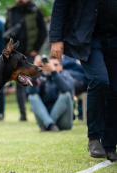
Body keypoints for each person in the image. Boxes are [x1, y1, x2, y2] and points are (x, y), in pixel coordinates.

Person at [50, 0, 117, 161]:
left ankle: (110, 144)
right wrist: (56, 38)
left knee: (114, 90)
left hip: (114, 38)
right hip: (88, 38)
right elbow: (60, 5)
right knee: (99, 80)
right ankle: (94, 138)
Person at [5, 0, 47, 121]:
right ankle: (23, 114)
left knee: (35, 81)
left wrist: (35, 49)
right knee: (19, 83)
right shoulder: (11, 12)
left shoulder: (36, 11)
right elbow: (7, 32)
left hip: (30, 53)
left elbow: (43, 32)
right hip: (16, 54)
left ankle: (38, 111)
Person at [28, 55, 74, 132]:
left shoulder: (66, 75)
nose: (53, 67)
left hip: (64, 122)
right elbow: (31, 91)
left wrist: (54, 72)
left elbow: (66, 89)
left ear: (61, 67)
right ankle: (50, 124)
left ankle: (49, 124)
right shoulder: (42, 77)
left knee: (66, 95)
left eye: (55, 65)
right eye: (50, 64)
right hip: (44, 120)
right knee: (32, 97)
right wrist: (35, 70)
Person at [61, 55, 88, 120]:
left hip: (80, 80)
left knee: (71, 84)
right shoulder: (67, 54)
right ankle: (68, 112)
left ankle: (70, 112)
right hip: (67, 78)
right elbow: (62, 64)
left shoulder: (84, 53)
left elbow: (85, 68)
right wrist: (75, 62)